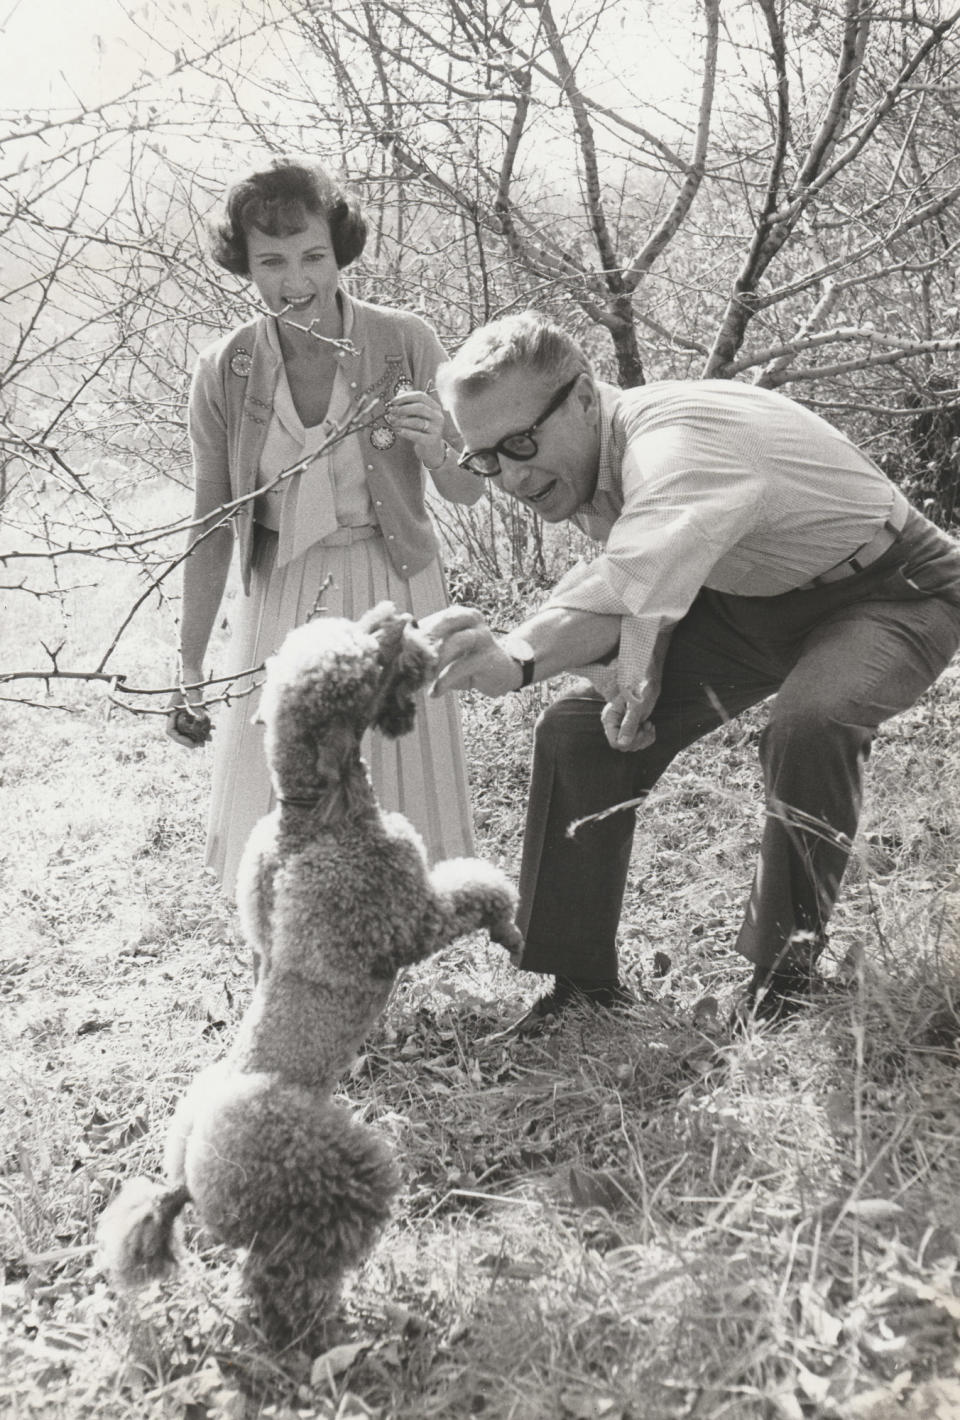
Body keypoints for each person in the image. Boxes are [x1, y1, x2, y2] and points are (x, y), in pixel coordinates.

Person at [421, 310, 960, 1030]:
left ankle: (784, 981)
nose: (512, 476)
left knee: (810, 722)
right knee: (581, 734)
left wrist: (517, 655)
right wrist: (628, 679)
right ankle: (580, 988)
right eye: (486, 459)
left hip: (891, 590)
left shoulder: (676, 446)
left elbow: (629, 578)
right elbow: (644, 592)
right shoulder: (586, 458)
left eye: (521, 444)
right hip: (745, 598)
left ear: (584, 397)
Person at [167, 159, 482, 894]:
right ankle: (281, 975)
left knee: (395, 788)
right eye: (270, 261)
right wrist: (189, 667)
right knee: (284, 801)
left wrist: (438, 441)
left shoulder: (405, 341)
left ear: (338, 251)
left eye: (313, 255)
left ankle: (381, 967)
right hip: (282, 597)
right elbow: (211, 527)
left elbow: (466, 490)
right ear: (243, 264)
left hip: (395, 586)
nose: (295, 279)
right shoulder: (226, 368)